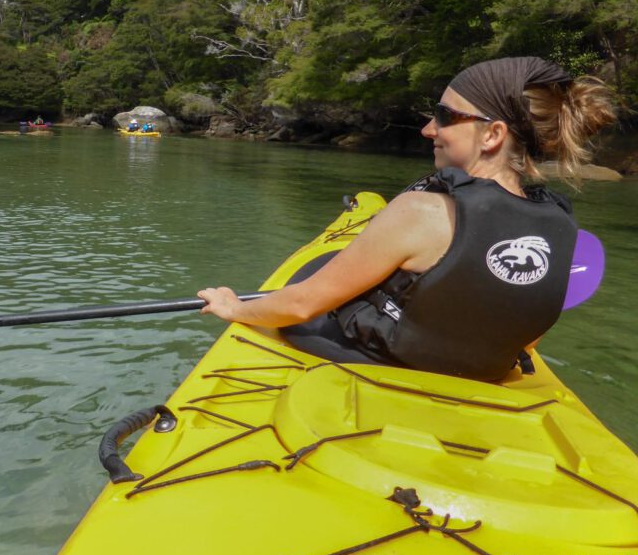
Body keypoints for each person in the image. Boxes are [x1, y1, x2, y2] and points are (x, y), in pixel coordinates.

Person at [198, 57, 617, 381]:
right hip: (483, 374)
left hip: (380, 360)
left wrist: (233, 307)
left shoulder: (423, 211)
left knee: (311, 273)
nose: (427, 129)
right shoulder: (565, 230)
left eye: (445, 116)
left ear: (492, 135)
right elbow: (523, 337)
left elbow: (304, 303)